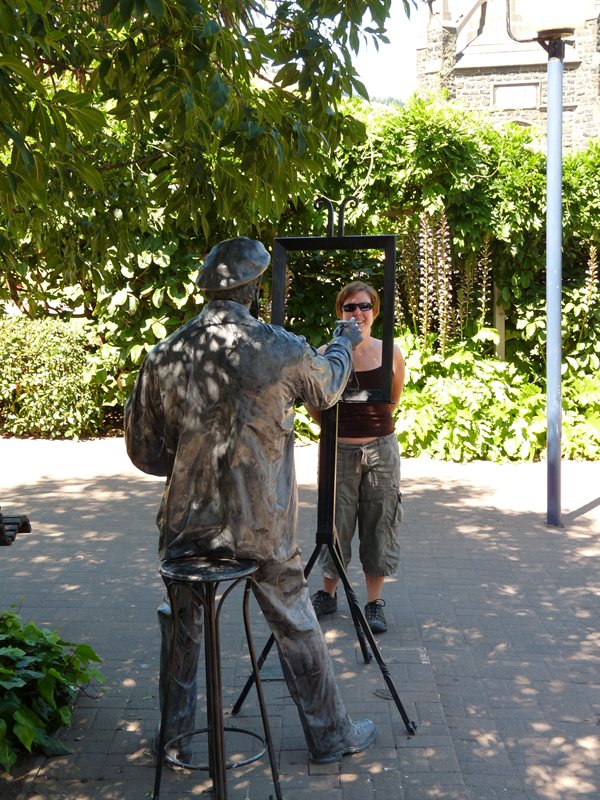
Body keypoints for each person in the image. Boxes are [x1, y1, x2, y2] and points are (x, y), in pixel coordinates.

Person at [124, 237, 377, 767]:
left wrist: (191, 460)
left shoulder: (164, 353)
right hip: (260, 528)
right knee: (294, 617)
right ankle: (330, 735)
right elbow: (328, 388)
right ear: (254, 288)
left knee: (183, 620)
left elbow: (145, 453)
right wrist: (343, 342)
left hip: (187, 531)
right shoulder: (279, 347)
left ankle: (176, 738)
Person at [308, 281, 405, 634]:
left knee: (380, 522)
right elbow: (315, 403)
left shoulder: (390, 351)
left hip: (380, 450)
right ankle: (328, 593)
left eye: (364, 306)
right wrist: (338, 431)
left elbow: (392, 401)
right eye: (349, 308)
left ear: (375, 311)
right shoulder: (326, 354)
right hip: (338, 449)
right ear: (340, 313)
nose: (357, 314)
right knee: (335, 523)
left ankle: (374, 602)